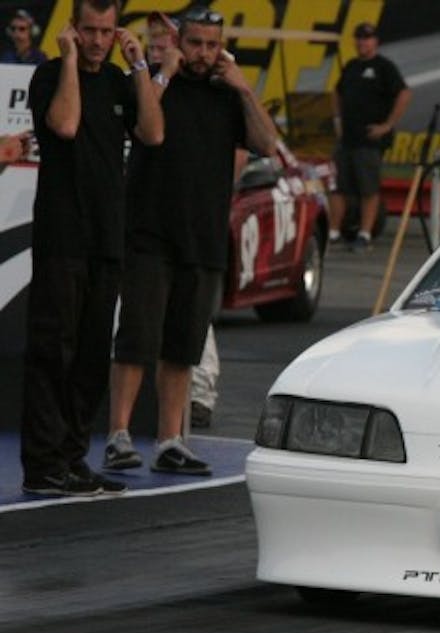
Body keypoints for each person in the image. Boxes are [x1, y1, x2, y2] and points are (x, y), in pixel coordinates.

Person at [104, 5, 276, 476]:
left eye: (211, 45)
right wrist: (164, 72)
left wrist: (244, 88)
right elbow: (147, 131)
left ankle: (169, 441)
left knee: (183, 348)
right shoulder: (157, 81)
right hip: (150, 231)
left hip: (201, 236)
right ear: (180, 41)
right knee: (136, 338)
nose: (203, 53)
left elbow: (266, 142)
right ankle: (118, 435)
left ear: (222, 47)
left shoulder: (227, 94)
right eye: (195, 43)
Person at [20, 0, 163, 497]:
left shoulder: (122, 82)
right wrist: (69, 62)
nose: (99, 40)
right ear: (73, 30)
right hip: (63, 238)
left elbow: (153, 131)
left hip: (107, 241)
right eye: (89, 31)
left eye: (106, 31)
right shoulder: (50, 77)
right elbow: (65, 124)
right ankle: (42, 465)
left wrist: (140, 64)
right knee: (51, 352)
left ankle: (72, 457)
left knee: (88, 356)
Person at [141, 9, 220, 430]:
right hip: (147, 224)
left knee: (191, 326)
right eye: (151, 44)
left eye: (163, 42)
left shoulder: (211, 89)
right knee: (142, 329)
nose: (158, 49)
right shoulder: (145, 82)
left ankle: (202, 391)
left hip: (195, 227)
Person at [328, 21, 410, 252]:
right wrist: (337, 121)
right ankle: (333, 232)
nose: (363, 42)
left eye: (367, 38)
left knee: (368, 189)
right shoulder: (351, 66)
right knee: (337, 187)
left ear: (375, 41)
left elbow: (404, 93)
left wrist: (387, 125)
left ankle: (364, 234)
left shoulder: (384, 67)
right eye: (359, 38)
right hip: (347, 139)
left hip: (369, 140)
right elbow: (336, 91)